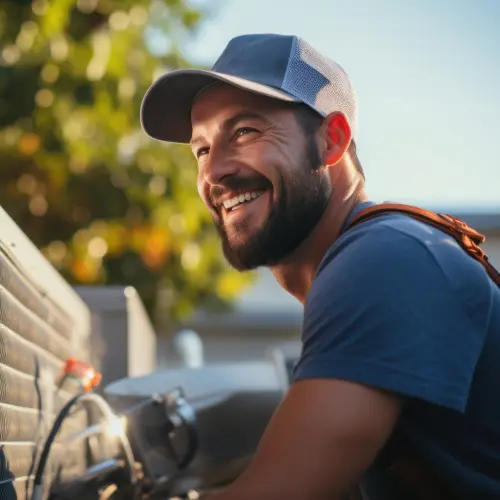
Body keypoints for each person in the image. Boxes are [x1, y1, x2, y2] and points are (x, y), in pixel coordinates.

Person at [140, 34, 500, 500]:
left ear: (332, 140)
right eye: (202, 150)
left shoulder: (383, 259)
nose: (214, 174)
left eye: (245, 132)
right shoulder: (368, 261)